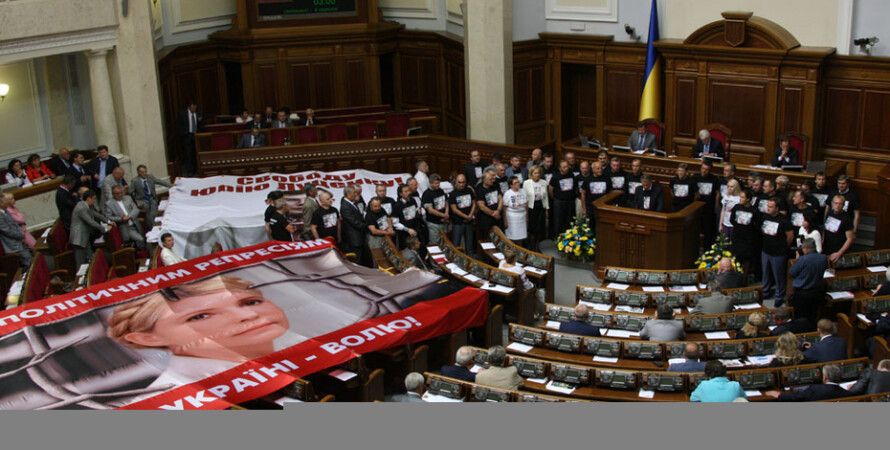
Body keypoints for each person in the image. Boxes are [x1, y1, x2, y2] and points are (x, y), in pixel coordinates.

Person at [760, 199, 794, 306]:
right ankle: (765, 292)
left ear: (777, 208)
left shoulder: (784, 220)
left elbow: (790, 236)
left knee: (778, 275)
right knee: (765, 273)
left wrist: (782, 246)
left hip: (778, 253)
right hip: (765, 250)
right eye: (768, 206)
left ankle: (779, 296)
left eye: (771, 207)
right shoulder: (765, 216)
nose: (768, 208)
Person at [789, 238, 828, 324]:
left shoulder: (803, 259)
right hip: (817, 292)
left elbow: (792, 272)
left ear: (806, 248)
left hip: (802, 294)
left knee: (801, 318)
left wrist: (797, 260)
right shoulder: (823, 258)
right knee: (813, 316)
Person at [70, 190, 110, 268]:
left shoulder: (86, 205)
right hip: (78, 238)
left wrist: (108, 221)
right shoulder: (81, 208)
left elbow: (95, 214)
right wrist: (104, 229)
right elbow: (90, 221)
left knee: (91, 258)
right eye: (94, 199)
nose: (95, 201)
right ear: (88, 198)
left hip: (84, 237)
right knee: (81, 264)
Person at [765, 365, 850, 401]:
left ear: (825, 377)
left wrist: (778, 395)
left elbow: (796, 397)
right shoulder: (845, 393)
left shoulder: (815, 389)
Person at [130, 164, 172, 231]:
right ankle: (152, 229)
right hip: (142, 201)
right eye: (142, 172)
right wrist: (136, 202)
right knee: (149, 216)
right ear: (138, 172)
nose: (145, 173)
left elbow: (160, 182)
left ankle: (155, 228)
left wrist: (170, 185)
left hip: (152, 198)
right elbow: (130, 192)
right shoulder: (134, 181)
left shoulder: (150, 177)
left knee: (153, 214)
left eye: (145, 171)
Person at [103, 185, 146, 250]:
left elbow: (136, 209)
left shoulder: (128, 198)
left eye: (121, 193)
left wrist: (129, 216)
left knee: (145, 237)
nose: (120, 195)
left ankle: (142, 250)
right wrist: (121, 219)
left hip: (135, 223)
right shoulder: (109, 204)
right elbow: (109, 217)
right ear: (113, 194)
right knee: (140, 239)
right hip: (126, 227)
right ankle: (142, 252)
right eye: (117, 193)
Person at [729, 189, 760, 278]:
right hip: (737, 237)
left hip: (748, 240)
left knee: (746, 259)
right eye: (740, 197)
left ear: (748, 199)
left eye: (742, 197)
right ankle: (735, 277)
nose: (740, 199)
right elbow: (732, 220)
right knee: (736, 257)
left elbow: (757, 225)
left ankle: (744, 278)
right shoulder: (736, 207)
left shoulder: (754, 210)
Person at [694, 160, 720, 248]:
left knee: (708, 231)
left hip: (709, 208)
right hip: (697, 208)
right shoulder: (695, 177)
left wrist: (716, 206)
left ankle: (707, 249)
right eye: (702, 168)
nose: (704, 171)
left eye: (706, 169)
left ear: (710, 170)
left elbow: (717, 193)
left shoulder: (714, 179)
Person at [0, 198, 32, 269]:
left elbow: (15, 224)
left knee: (30, 258)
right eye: (5, 200)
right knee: (27, 262)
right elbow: (7, 231)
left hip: (19, 239)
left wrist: (21, 234)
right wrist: (21, 235)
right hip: (13, 245)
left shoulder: (5, 211)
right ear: (1, 203)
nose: (7, 201)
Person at [340, 185, 368, 265]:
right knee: (357, 260)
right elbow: (354, 222)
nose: (356, 194)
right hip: (354, 238)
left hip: (359, 236)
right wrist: (367, 226)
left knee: (362, 258)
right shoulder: (345, 206)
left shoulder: (351, 203)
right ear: (348, 194)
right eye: (354, 193)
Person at [823, 194, 855, 264]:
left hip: (838, 251)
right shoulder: (829, 212)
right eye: (836, 203)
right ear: (832, 203)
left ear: (843, 205)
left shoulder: (847, 218)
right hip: (826, 248)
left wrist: (839, 253)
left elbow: (850, 238)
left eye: (840, 204)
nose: (837, 206)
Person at [580, 161, 610, 235]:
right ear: (593, 169)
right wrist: (584, 208)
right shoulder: (587, 179)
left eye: (601, 168)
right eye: (598, 168)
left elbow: (610, 193)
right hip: (591, 208)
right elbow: (583, 194)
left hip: (603, 208)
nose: (600, 170)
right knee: (591, 227)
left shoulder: (607, 178)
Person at [523, 166, 549, 250]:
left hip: (541, 206)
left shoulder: (544, 182)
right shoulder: (526, 183)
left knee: (540, 226)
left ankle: (538, 245)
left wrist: (547, 209)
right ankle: (531, 245)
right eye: (535, 173)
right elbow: (524, 196)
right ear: (531, 174)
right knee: (532, 227)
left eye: (538, 173)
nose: (537, 175)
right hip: (531, 207)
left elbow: (546, 197)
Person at [549, 161, 576, 238]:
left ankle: (569, 238)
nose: (566, 168)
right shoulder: (555, 176)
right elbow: (550, 189)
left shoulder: (571, 175)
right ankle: (558, 237)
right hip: (559, 202)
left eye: (567, 166)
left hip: (570, 201)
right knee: (558, 221)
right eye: (564, 167)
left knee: (569, 220)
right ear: (560, 168)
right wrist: (555, 198)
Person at [422, 174, 449, 246]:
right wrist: (444, 215)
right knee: (434, 245)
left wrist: (446, 214)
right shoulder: (427, 194)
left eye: (438, 183)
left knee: (445, 244)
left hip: (443, 222)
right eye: (436, 183)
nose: (438, 185)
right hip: (433, 224)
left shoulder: (441, 191)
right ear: (430, 183)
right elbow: (430, 210)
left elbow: (446, 202)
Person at [175, 102, 202, 176]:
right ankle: (190, 171)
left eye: (195, 107)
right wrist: (183, 134)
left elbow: (201, 124)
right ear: (189, 107)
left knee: (196, 153)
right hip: (187, 136)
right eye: (193, 107)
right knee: (188, 153)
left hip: (196, 136)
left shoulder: (198, 114)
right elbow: (178, 125)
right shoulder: (182, 114)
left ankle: (197, 169)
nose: (195, 109)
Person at [476, 169, 503, 240]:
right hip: (486, 218)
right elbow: (481, 206)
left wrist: (498, 210)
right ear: (484, 180)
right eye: (490, 179)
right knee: (487, 239)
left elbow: (500, 198)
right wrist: (493, 214)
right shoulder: (479, 188)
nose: (492, 180)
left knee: (499, 238)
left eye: (492, 179)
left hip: (497, 215)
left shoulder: (495, 184)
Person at [502, 176, 528, 246]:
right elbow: (504, 207)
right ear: (511, 185)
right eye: (515, 183)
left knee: (521, 237)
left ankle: (520, 250)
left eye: (518, 182)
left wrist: (526, 217)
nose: (518, 184)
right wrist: (505, 220)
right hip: (512, 218)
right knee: (512, 237)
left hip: (522, 216)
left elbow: (526, 205)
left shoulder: (523, 191)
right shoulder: (507, 193)